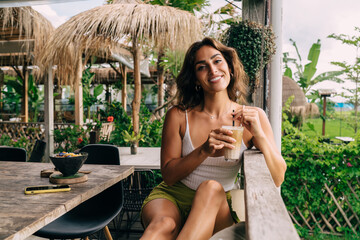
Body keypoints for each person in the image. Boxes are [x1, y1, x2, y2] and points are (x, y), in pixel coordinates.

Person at [140, 37, 287, 240]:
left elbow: (278, 177)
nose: (212, 69)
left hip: (216, 203)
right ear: (195, 78)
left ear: (230, 67)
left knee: (211, 187)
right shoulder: (178, 115)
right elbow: (169, 175)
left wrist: (259, 135)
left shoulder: (253, 117)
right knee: (163, 225)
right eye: (202, 67)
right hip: (172, 196)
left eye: (217, 61)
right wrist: (203, 151)